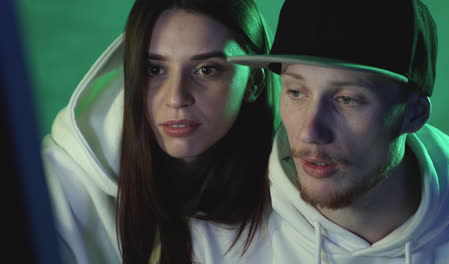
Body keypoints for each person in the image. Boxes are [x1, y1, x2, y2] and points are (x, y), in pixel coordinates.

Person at [227, 0, 449, 263]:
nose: (310, 132)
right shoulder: (226, 234)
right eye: (296, 92)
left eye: (348, 99)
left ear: (414, 114)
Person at [42, 0, 279, 263]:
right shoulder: (53, 186)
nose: (176, 97)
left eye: (206, 70)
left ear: (254, 82)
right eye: (154, 70)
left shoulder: (291, 199)